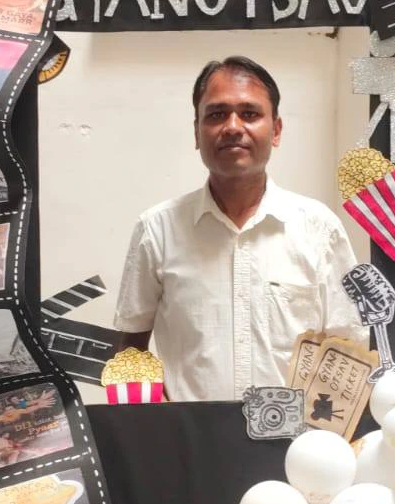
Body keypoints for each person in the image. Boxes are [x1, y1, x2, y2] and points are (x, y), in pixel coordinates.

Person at [113, 57, 362, 401]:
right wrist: (164, 423)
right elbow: (129, 352)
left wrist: (318, 431)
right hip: (189, 433)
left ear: (276, 130)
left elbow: (348, 351)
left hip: (297, 434)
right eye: (216, 114)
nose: (232, 126)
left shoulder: (319, 230)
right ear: (197, 132)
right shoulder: (157, 230)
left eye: (249, 114)